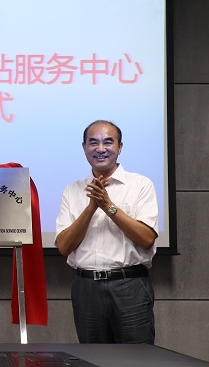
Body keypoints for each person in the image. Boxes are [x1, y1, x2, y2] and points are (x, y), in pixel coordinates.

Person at [55, 120, 158, 344]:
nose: (100, 149)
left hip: (129, 285)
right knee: (93, 358)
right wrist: (91, 207)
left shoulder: (141, 185)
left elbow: (147, 238)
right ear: (84, 147)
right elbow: (64, 246)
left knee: (138, 358)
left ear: (120, 147)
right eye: (93, 143)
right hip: (87, 287)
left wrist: (108, 206)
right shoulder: (72, 190)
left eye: (108, 142)